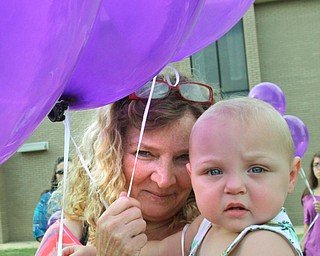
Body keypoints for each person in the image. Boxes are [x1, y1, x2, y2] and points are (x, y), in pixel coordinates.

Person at [63, 97, 303, 256]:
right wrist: (98, 251)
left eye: (257, 169)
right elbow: (154, 251)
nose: (235, 186)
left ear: (292, 176)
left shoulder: (264, 245)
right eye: (214, 171)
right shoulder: (206, 225)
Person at [36, 74, 216, 255]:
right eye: (145, 154)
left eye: (184, 157)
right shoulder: (64, 241)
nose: (164, 180)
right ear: (111, 155)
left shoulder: (220, 234)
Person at [33, 156, 70, 242]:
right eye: (60, 172)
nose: (65, 175)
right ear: (55, 176)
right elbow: (38, 230)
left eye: (69, 171)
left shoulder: (85, 196)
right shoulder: (47, 198)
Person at [300, 151, 320, 256]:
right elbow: (307, 222)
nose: (319, 168)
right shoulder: (308, 195)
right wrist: (303, 243)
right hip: (311, 248)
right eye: (316, 164)